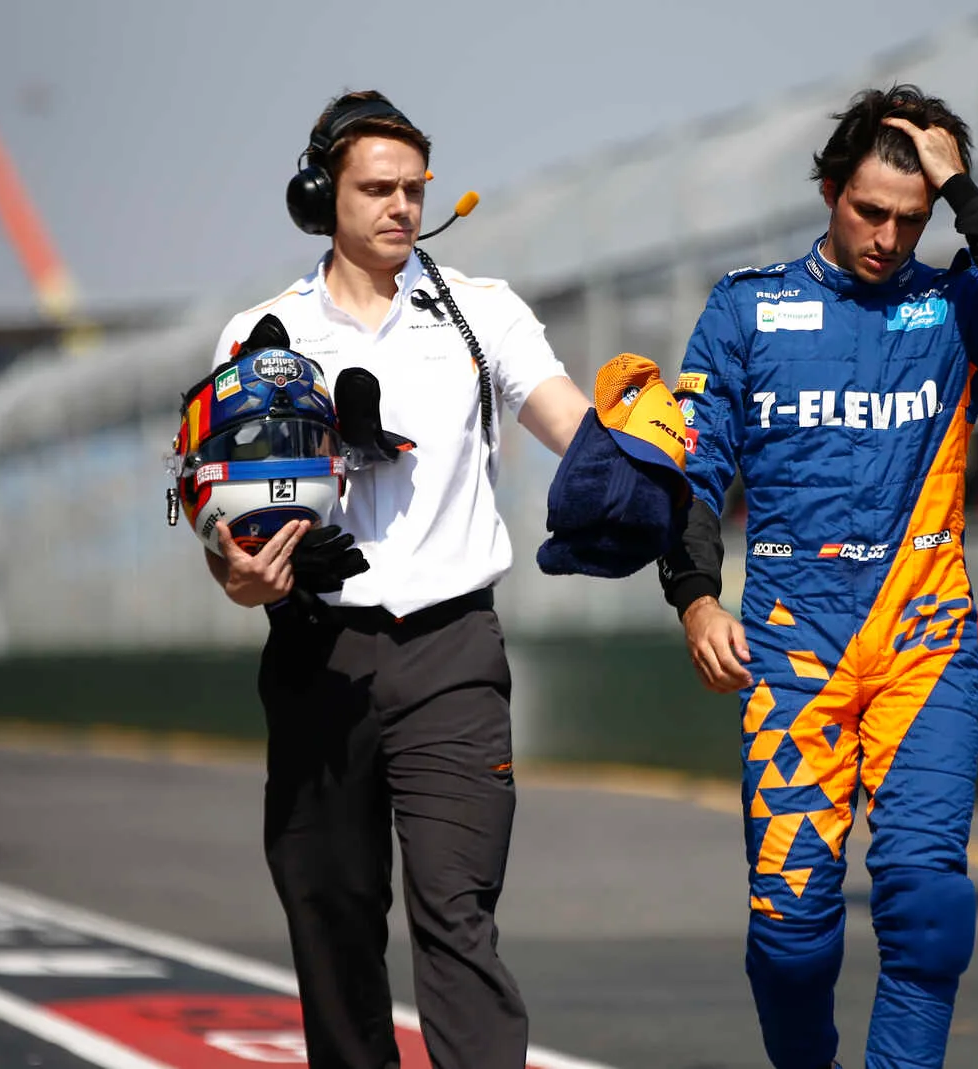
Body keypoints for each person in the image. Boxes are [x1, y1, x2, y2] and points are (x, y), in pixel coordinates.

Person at [657, 84, 978, 1069]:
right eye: (868, 211)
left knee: (927, 905)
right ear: (827, 190)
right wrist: (693, 595)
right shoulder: (746, 308)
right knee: (791, 937)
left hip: (924, 648)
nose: (889, 237)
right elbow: (691, 462)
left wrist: (964, 189)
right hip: (789, 651)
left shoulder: (958, 310)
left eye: (912, 215)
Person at [205, 89, 590, 1069]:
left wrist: (637, 456)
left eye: (414, 190)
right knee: (330, 916)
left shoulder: (480, 311)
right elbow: (220, 518)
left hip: (454, 650)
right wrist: (238, 572)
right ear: (317, 195)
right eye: (377, 188)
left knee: (457, 913)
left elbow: (573, 427)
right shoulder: (261, 336)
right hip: (317, 652)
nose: (401, 208)